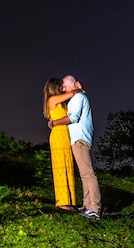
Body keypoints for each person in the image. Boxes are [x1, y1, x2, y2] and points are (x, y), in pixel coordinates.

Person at [51, 75, 102, 220]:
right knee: (84, 174)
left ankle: (95, 208)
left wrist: (54, 123)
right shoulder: (76, 97)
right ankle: (87, 206)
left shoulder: (78, 98)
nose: (63, 89)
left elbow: (72, 118)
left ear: (73, 84)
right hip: (78, 139)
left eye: (65, 86)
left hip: (80, 139)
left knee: (88, 173)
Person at [43, 78, 83, 211]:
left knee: (68, 166)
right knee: (60, 168)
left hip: (66, 135)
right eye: (61, 86)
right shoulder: (52, 99)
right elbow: (72, 94)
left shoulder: (60, 102)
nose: (63, 88)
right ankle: (62, 202)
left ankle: (70, 201)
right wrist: (78, 89)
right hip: (58, 135)